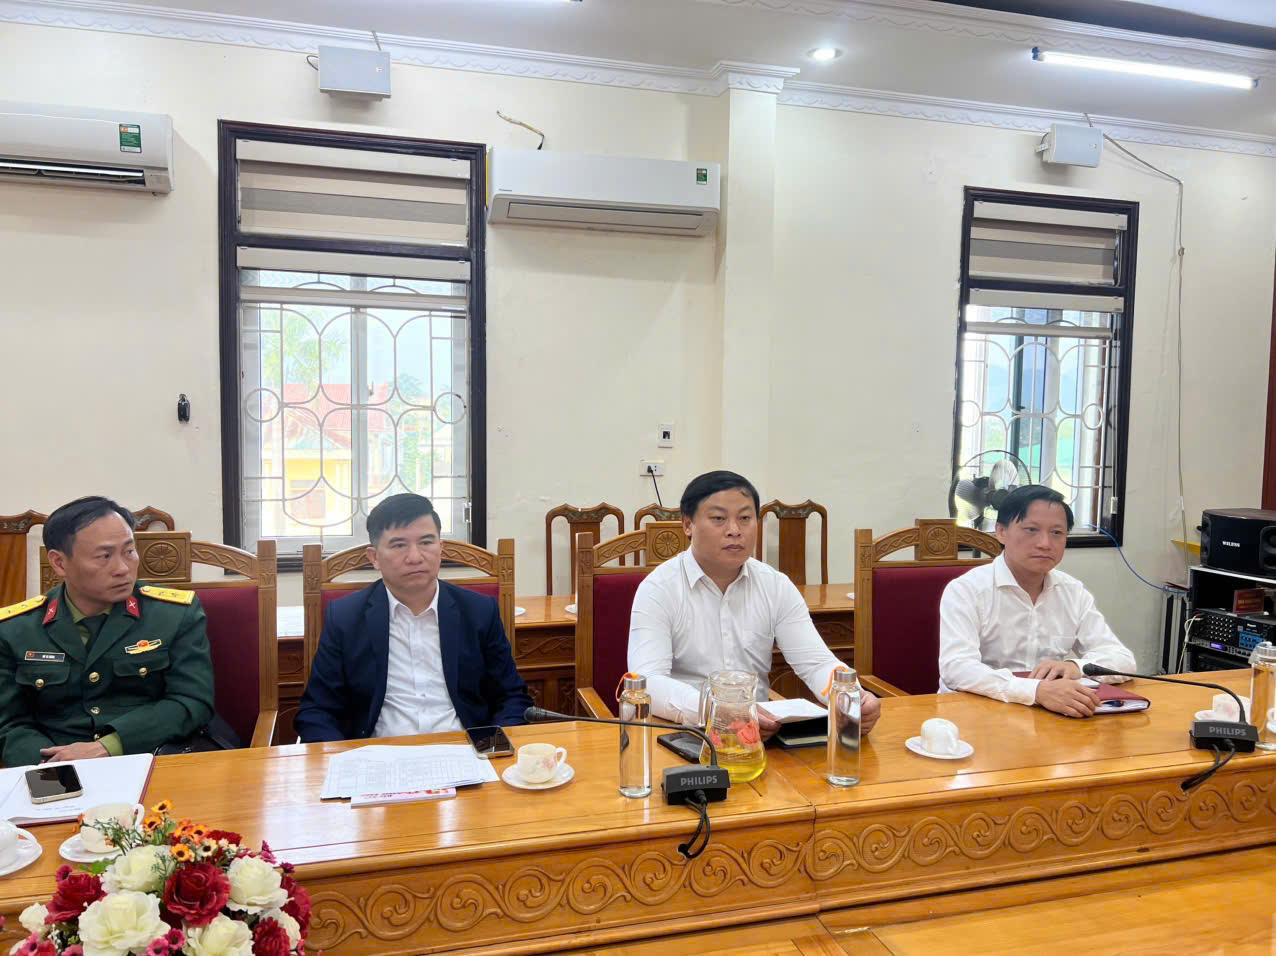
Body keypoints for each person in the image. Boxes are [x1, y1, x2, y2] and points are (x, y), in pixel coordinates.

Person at [628, 470, 881, 737]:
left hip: (760, 736)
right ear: (688, 525)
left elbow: (816, 663)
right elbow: (647, 682)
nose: (734, 531)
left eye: (745, 518)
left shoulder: (775, 585)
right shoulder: (658, 589)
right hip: (680, 733)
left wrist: (850, 696)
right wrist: (716, 710)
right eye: (719, 519)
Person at [296, 493, 532, 742]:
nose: (415, 557)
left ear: (441, 549)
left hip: (467, 749)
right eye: (399, 545)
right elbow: (317, 711)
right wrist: (347, 759)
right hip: (379, 752)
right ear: (374, 557)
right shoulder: (345, 618)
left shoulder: (479, 611)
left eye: (426, 542)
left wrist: (491, 749)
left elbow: (512, 697)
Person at [0, 496, 215, 767]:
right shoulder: (15, 629)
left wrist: (108, 746)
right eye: (104, 556)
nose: (123, 569)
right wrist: (53, 768)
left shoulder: (174, 614)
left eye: (129, 551)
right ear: (59, 563)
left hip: (151, 758)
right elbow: (9, 724)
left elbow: (192, 701)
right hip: (54, 769)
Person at [938, 484, 1137, 718]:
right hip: (975, 715)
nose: (1045, 543)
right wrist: (1035, 691)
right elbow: (957, 668)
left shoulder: (1072, 592)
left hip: (1052, 713)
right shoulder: (966, 590)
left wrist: (1075, 667)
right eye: (1031, 530)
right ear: (1001, 532)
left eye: (1057, 533)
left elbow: (1123, 660)